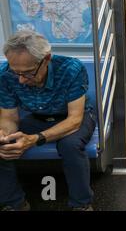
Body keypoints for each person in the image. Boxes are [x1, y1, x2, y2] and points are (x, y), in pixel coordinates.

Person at [0, 30, 95, 211]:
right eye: (16, 72)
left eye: (28, 73)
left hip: (72, 117)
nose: (20, 80)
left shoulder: (71, 69)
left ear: (46, 59)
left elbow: (74, 120)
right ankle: (14, 203)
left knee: (70, 146)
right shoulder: (5, 75)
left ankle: (81, 204)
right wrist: (5, 136)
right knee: (2, 145)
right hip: (37, 118)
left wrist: (35, 139)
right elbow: (9, 118)